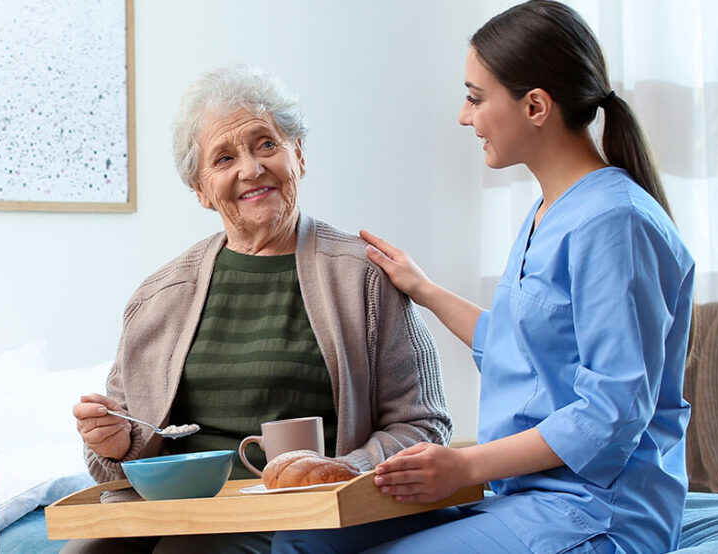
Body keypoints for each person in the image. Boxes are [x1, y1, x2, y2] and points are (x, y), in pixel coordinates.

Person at [273, 1, 695, 553]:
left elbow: (611, 413)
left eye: (475, 98)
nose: (463, 116)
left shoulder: (614, 224)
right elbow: (518, 349)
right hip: (523, 499)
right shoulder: (549, 211)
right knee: (307, 541)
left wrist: (461, 464)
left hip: (596, 513)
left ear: (536, 105)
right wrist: (421, 288)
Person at [66, 64, 452, 554]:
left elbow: (424, 424)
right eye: (224, 158)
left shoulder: (363, 275)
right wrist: (113, 442)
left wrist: (348, 468)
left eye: (266, 144)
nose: (250, 169)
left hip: (301, 512)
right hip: (175, 508)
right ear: (202, 190)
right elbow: (120, 450)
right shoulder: (158, 295)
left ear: (299, 156)